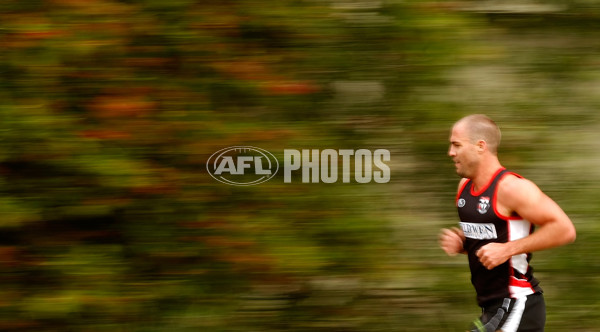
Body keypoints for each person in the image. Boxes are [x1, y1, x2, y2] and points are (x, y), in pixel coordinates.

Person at [439, 114, 576, 332]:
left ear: (480, 146)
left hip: (518, 303)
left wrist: (507, 249)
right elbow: (494, 242)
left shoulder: (512, 188)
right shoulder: (464, 189)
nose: (451, 153)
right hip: (492, 307)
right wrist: (464, 245)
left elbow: (564, 229)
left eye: (456, 145)